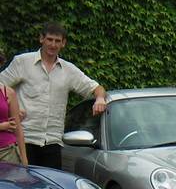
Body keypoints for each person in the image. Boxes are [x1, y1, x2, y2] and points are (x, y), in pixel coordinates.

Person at [0, 23, 106, 169]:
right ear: (41, 39)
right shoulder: (22, 62)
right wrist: (13, 109)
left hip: (52, 141)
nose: (53, 44)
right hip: (24, 139)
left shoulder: (68, 70)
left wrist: (100, 98)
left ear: (63, 43)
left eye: (57, 41)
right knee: (23, 187)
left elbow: (96, 87)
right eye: (49, 39)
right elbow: (1, 87)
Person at [0, 52, 28, 166]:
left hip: (7, 152)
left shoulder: (7, 92)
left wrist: (24, 160)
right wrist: (3, 126)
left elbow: (18, 129)